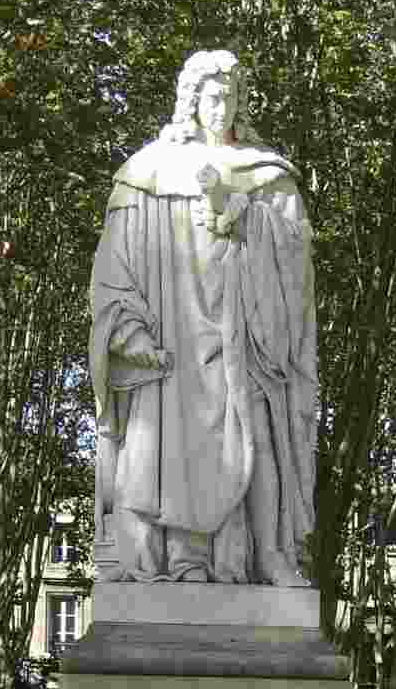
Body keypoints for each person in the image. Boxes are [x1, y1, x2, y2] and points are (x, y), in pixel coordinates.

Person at [89, 50, 317, 585]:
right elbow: (113, 264)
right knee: (173, 452)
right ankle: (183, 560)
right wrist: (128, 328)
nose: (223, 107)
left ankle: (267, 556)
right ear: (190, 101)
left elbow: (295, 250)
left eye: (232, 96)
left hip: (249, 337)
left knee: (260, 443)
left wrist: (237, 207)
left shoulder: (266, 174)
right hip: (175, 346)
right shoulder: (146, 173)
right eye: (213, 96)